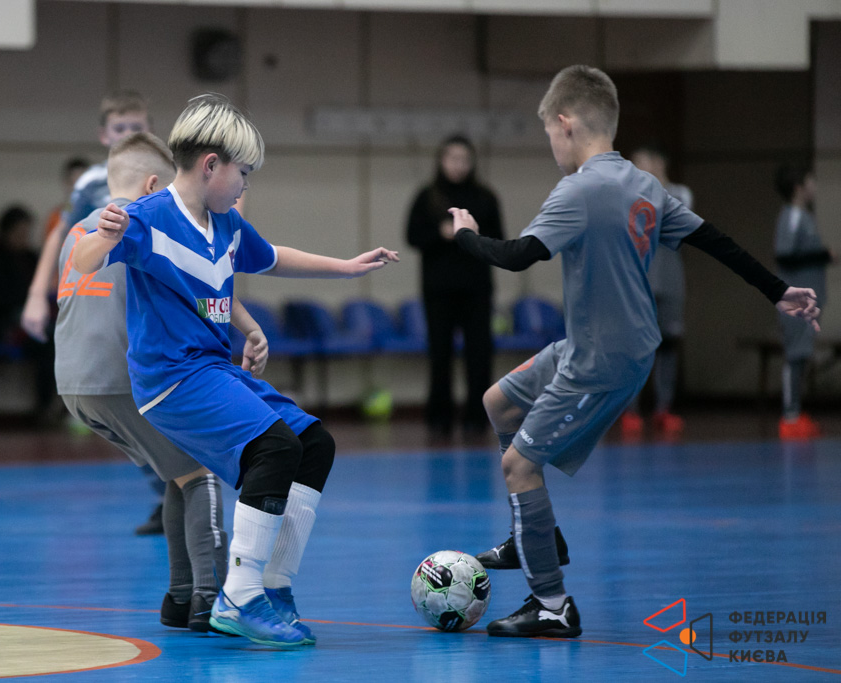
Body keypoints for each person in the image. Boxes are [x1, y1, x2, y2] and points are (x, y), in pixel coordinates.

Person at [448, 65, 819, 638]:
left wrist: (465, 234)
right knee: (499, 401)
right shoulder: (644, 184)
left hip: (603, 358)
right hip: (596, 343)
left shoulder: (580, 189)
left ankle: (552, 604)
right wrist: (777, 290)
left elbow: (519, 256)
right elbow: (714, 241)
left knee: (519, 465)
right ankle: (537, 534)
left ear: (566, 124)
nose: (551, 145)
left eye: (548, 133)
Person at [74, 94, 399, 647]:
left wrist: (346, 268)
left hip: (212, 369)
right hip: (171, 379)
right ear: (211, 165)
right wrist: (102, 235)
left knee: (313, 443)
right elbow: (83, 263)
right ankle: (240, 596)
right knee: (273, 447)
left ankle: (273, 586)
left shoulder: (224, 224)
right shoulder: (147, 218)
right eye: (244, 173)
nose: (246, 184)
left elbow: (274, 257)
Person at [56, 132, 266, 630]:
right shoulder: (145, 224)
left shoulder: (81, 228)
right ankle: (210, 597)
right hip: (122, 377)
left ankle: (179, 596)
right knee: (203, 471)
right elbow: (197, 290)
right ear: (154, 184)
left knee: (179, 472)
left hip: (73, 383)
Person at [19, 91, 164, 534]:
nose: (128, 134)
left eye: (137, 127)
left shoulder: (161, 178)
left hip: (143, 303)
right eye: (120, 128)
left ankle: (175, 487)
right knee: (120, 404)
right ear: (104, 135)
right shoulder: (91, 183)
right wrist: (36, 294)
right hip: (102, 305)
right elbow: (60, 235)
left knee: (149, 401)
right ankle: (167, 490)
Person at [406, 135, 503, 439]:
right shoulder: (427, 196)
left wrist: (470, 234)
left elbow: (498, 238)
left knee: (479, 355)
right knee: (440, 355)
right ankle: (439, 417)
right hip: (438, 291)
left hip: (477, 290)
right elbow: (412, 236)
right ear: (441, 160)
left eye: (464, 159)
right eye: (453, 158)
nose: (459, 165)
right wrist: (441, 233)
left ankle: (478, 417)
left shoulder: (485, 197)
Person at [620, 146, 693, 438]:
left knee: (668, 344)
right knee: (636, 347)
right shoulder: (628, 196)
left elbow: (677, 226)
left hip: (671, 280)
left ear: (659, 163)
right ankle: (631, 410)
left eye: (643, 162)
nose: (637, 168)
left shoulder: (680, 193)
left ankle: (664, 407)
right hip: (639, 281)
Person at [774, 163, 834, 440]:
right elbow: (784, 255)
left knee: (802, 356)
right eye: (811, 180)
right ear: (798, 187)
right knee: (795, 356)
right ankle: (789, 416)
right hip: (795, 301)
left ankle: (796, 412)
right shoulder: (792, 216)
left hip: (808, 302)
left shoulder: (806, 217)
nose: (814, 186)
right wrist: (823, 255)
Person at [0, 206, 55, 419]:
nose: (24, 238)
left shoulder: (30, 257)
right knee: (48, 341)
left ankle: (66, 409)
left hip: (34, 319)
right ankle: (45, 409)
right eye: (19, 233)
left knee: (64, 336)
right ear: (6, 232)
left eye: (26, 233)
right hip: (5, 322)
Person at [43, 157, 90, 244]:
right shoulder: (56, 217)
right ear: (67, 183)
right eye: (75, 184)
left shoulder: (99, 215)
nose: (81, 191)